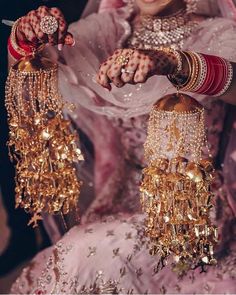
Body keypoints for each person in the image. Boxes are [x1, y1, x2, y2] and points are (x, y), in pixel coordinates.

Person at [8, 0, 236, 293]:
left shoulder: (217, 33)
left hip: (191, 208)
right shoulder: (108, 30)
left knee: (86, 254)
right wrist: (27, 39)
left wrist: (174, 62)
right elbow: (38, 76)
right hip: (121, 195)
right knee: (78, 260)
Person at [0, 0, 88, 276]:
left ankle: (55, 231)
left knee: (58, 134)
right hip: (17, 28)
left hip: (59, 32)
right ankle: (23, 233)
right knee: (13, 138)